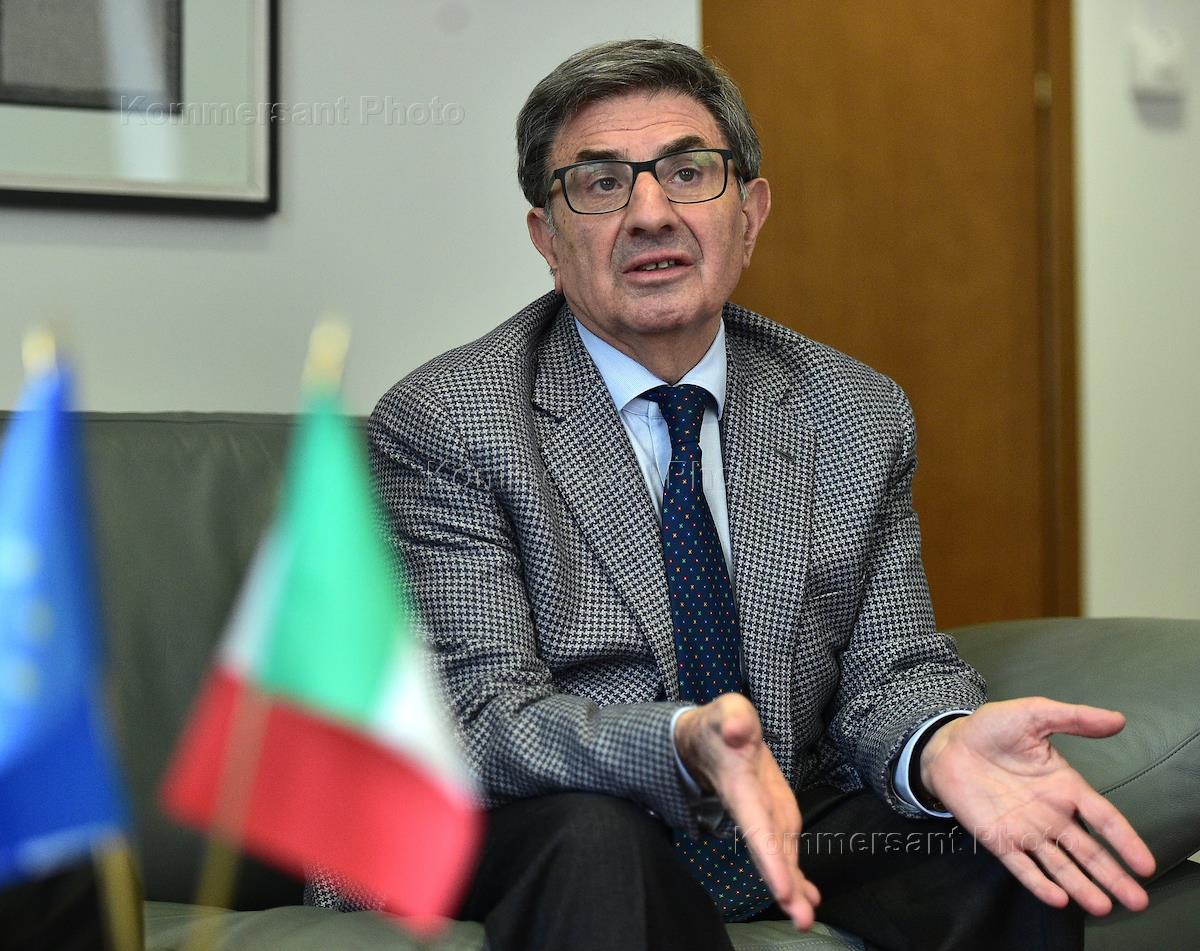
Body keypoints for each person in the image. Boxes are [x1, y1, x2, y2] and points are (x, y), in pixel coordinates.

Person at [334, 39, 1155, 950]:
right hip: (544, 818)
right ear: (547, 238)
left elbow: (891, 668)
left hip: (785, 811)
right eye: (601, 184)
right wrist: (680, 743)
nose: (651, 214)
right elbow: (484, 719)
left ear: (750, 213)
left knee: (1007, 844)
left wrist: (938, 745)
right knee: (598, 842)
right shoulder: (451, 418)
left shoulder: (853, 410)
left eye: (689, 173)